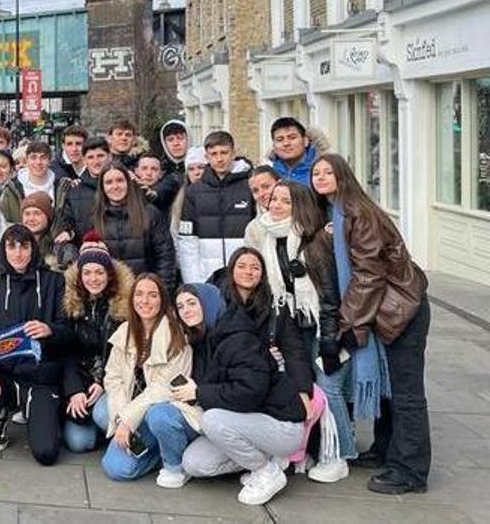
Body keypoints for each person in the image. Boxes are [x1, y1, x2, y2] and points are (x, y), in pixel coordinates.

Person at [312, 153, 431, 494]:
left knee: (406, 394)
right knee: (388, 387)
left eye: (327, 172)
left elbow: (367, 276)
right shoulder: (338, 211)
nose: (320, 177)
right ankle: (385, 450)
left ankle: (410, 470)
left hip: (400, 311)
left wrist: (346, 329)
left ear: (343, 175)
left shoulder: (359, 213)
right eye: (316, 173)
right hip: (382, 310)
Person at [175, 254, 309, 504]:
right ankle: (267, 459)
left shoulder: (237, 337)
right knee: (194, 464)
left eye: (192, 303)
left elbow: (250, 392)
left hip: (280, 424)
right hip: (250, 423)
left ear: (209, 303)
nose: (186, 311)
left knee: (212, 419)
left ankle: (265, 472)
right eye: (180, 306)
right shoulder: (204, 340)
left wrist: (200, 393)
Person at [244, 180, 352, 482]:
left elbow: (330, 296)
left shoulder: (314, 241)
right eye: (273, 199)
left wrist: (330, 339)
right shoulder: (267, 235)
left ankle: (340, 454)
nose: (275, 205)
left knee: (329, 389)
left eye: (285, 202)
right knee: (302, 388)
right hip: (293, 327)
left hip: (325, 325)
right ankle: (310, 449)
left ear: (300, 206)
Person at [0, 226, 69, 464]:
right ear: (3, 250)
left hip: (40, 374)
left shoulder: (53, 281)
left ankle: (32, 408)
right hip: (3, 370)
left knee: (46, 453)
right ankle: (1, 414)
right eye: (11, 247)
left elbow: (68, 330)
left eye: (24, 246)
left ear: (32, 248)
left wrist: (51, 330)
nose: (18, 253)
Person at [100, 274, 199, 484]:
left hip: (164, 409)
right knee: (113, 459)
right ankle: (153, 450)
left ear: (162, 300)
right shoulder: (125, 331)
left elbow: (164, 389)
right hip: (135, 408)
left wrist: (127, 420)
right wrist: (120, 416)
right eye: (139, 294)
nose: (144, 301)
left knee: (123, 466)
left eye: (153, 295)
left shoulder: (176, 336)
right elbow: (113, 377)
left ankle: (172, 453)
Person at [60, 246, 134, 454]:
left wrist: (101, 382)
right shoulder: (70, 304)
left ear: (109, 275)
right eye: (88, 272)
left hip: (111, 381)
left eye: (99, 272)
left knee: (102, 415)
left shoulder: (123, 307)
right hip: (79, 379)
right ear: (80, 275)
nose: (93, 278)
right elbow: (66, 352)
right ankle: (101, 429)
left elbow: (123, 356)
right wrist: (75, 389)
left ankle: (128, 439)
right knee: (80, 443)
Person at [177, 131, 255, 283]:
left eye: (224, 153)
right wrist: (194, 281)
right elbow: (187, 241)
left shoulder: (250, 185)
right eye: (213, 154)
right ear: (206, 157)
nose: (219, 159)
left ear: (233, 153)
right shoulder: (194, 191)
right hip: (208, 275)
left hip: (244, 273)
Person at [88, 163, 178, 290]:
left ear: (128, 183)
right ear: (102, 187)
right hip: (111, 295)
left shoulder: (150, 214)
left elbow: (165, 259)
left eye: (120, 180)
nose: (115, 186)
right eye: (108, 182)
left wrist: (163, 292)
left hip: (144, 294)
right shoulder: (95, 218)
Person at [56, 136, 110, 240]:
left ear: (109, 156)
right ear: (84, 160)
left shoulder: (122, 186)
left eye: (100, 156)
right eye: (90, 157)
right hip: (87, 251)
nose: (96, 161)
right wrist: (68, 232)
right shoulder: (74, 192)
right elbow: (68, 222)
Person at [0, 141, 61, 223]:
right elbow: (3, 221)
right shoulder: (11, 190)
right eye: (33, 158)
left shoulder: (61, 186)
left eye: (43, 157)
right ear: (27, 160)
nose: (38, 162)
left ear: (49, 161)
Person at [269, 117, 325, 186]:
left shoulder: (324, 173)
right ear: (274, 145)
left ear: (305, 141)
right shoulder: (268, 175)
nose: (286, 143)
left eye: (292, 138)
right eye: (280, 140)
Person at [169, 147, 208, 240]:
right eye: (191, 169)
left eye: (201, 167)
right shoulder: (181, 200)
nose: (197, 173)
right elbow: (175, 233)